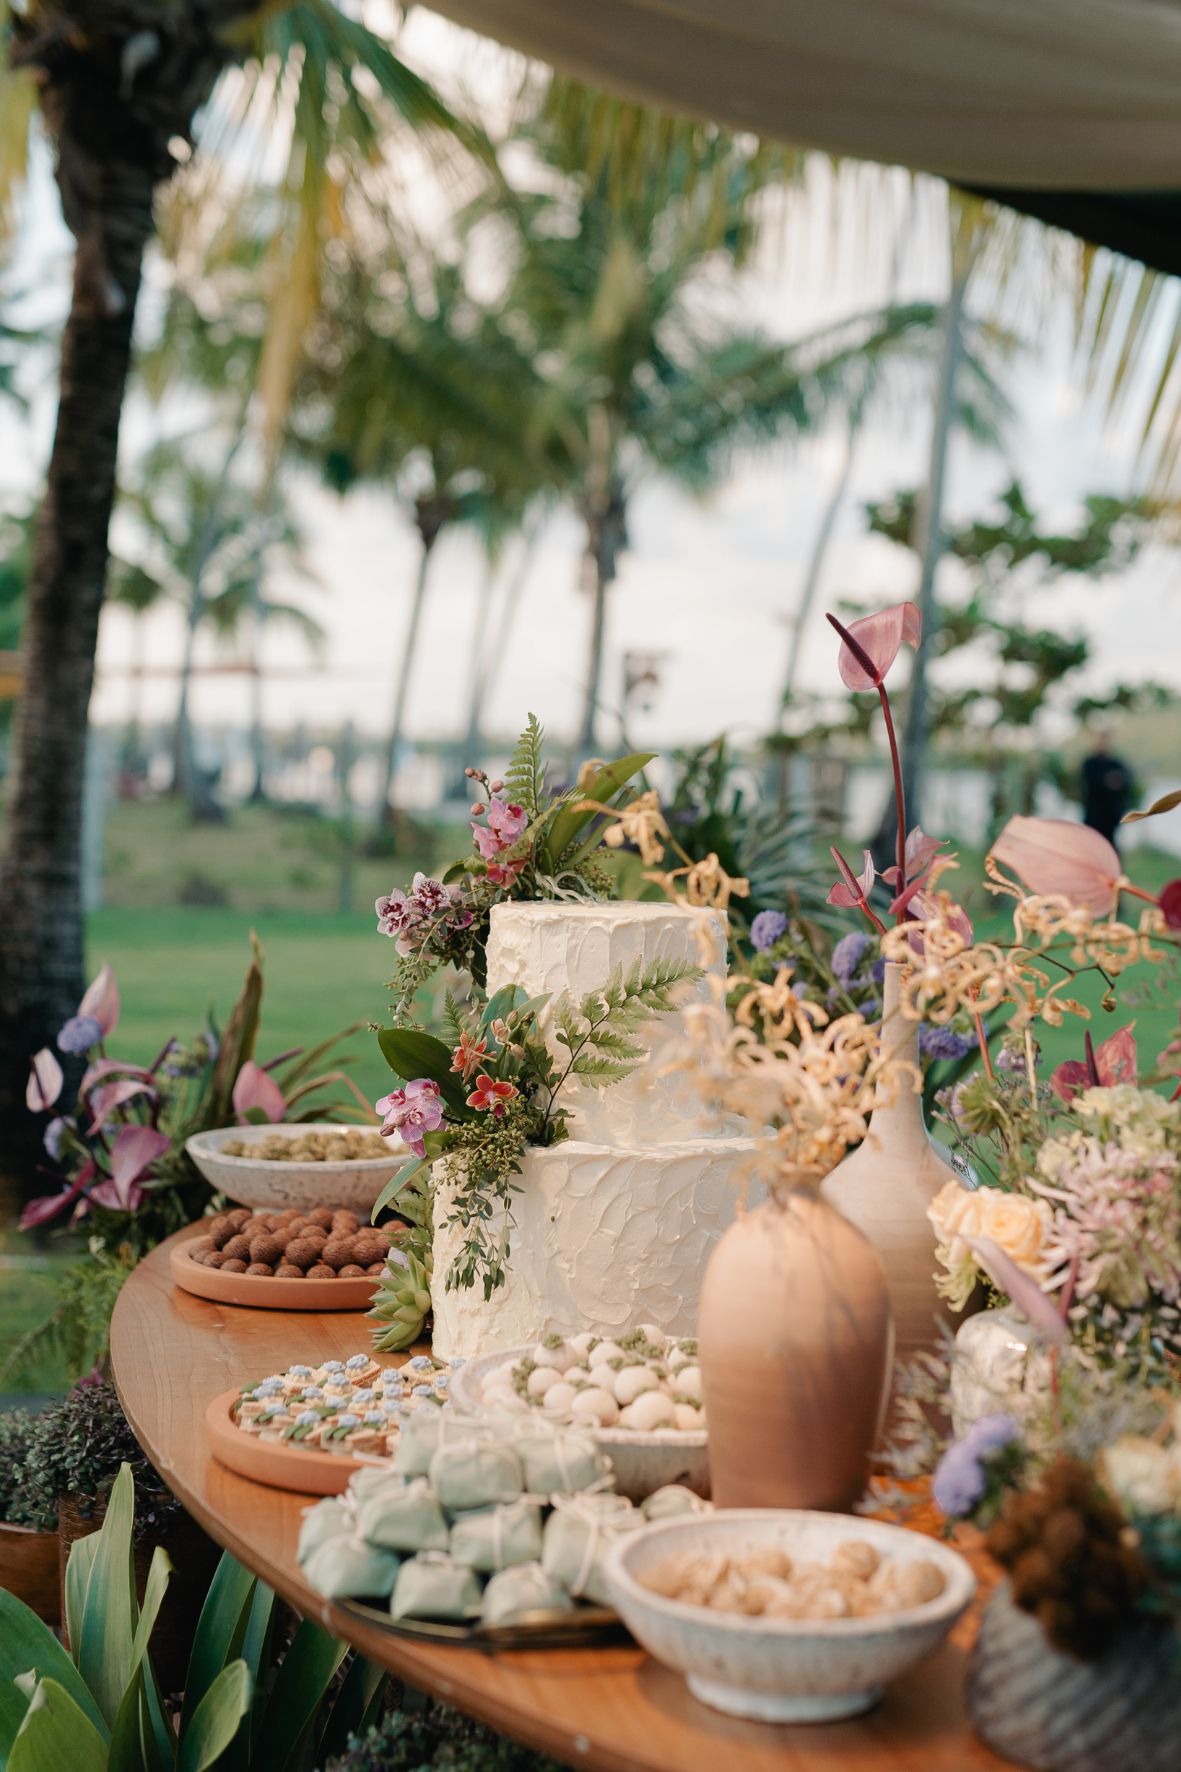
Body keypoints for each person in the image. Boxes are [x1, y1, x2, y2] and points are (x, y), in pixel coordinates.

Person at [1080, 730, 1133, 848]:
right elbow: (1090, 784)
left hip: (1111, 817)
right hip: (1093, 816)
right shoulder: (1089, 763)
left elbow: (1125, 784)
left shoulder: (1117, 764)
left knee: (1111, 847)